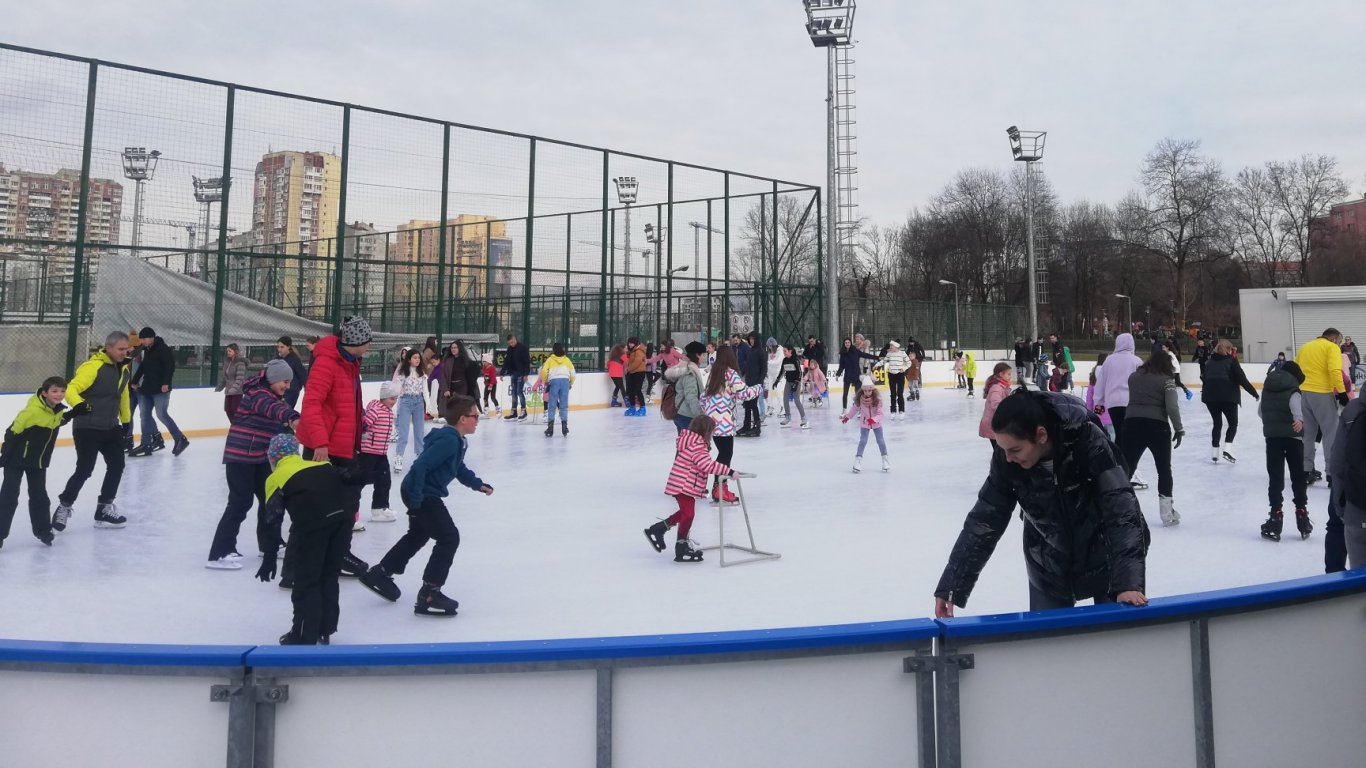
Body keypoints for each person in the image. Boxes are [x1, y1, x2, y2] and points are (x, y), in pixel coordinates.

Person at [933, 390, 1150, 615]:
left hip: (1106, 558)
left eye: (1015, 449)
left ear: (1041, 435)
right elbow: (985, 519)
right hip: (1048, 564)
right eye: (1003, 449)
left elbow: (1121, 510)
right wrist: (952, 586)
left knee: (1112, 640)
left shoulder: (1087, 440)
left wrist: (1127, 583)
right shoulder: (1006, 459)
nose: (1008, 458)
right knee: (1049, 643)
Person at [359, 395, 493, 616]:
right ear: (462, 419)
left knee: (418, 535)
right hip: (421, 493)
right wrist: (417, 499)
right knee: (449, 537)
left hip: (417, 491)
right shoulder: (449, 440)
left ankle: (380, 574)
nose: (478, 420)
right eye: (475, 416)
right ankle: (429, 594)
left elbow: (458, 468)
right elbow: (421, 465)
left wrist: (478, 485)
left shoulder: (456, 440)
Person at [294, 316, 374, 580]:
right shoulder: (328, 363)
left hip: (343, 443)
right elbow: (312, 403)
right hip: (326, 447)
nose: (370, 344)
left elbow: (344, 401)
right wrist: (320, 443)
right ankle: (303, 565)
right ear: (358, 342)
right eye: (368, 340)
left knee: (347, 503)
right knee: (319, 506)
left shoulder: (350, 362)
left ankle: (338, 553)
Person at [255, 433, 351, 645]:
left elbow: (272, 521)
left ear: (274, 457)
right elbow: (348, 478)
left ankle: (302, 635)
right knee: (328, 576)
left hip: (313, 528)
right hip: (341, 524)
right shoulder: (321, 466)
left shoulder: (277, 477)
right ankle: (325, 629)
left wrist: (269, 557)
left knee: (307, 581)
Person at [207, 359, 301, 569]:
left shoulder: (273, 395)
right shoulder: (258, 394)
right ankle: (220, 553)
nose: (286, 386)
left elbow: (279, 413)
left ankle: (271, 544)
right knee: (240, 502)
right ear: (272, 378)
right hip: (240, 456)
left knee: (270, 500)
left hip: (260, 457)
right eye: (283, 381)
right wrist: (293, 418)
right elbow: (274, 409)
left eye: (289, 382)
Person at [53, 331, 133, 531]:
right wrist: (79, 404)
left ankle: (104, 508)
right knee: (85, 469)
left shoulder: (123, 370)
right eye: (121, 349)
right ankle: (64, 506)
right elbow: (71, 389)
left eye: (127, 349)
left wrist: (126, 422)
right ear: (109, 348)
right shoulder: (93, 366)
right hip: (87, 426)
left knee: (117, 465)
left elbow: (123, 396)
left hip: (111, 426)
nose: (126, 352)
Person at [0, 377, 90, 548]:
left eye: (62, 391)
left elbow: (55, 421)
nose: (59, 395)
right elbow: (11, 433)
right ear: (44, 392)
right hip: (16, 460)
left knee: (40, 497)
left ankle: (43, 531)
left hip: (38, 461)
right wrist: (5, 456)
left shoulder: (54, 411)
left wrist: (73, 413)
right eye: (54, 391)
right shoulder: (32, 411)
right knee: (9, 497)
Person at [643, 414, 735, 563]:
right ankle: (678, 542)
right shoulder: (697, 445)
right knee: (689, 514)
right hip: (683, 484)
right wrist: (729, 472)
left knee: (686, 513)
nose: (712, 435)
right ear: (705, 431)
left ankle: (662, 530)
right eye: (711, 432)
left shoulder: (690, 441)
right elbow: (707, 465)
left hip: (683, 483)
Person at [1122, 351, 1186, 526]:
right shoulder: (1167, 380)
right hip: (1157, 426)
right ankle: (1167, 513)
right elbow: (1172, 407)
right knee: (1163, 469)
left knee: (1127, 467)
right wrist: (1179, 429)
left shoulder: (1133, 377)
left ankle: (1117, 507)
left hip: (1132, 423)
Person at [701, 346, 762, 504]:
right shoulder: (730, 373)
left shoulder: (713, 374)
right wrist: (759, 387)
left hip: (711, 422)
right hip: (724, 423)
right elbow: (745, 394)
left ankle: (718, 486)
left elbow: (703, 397)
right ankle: (719, 488)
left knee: (723, 454)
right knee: (725, 455)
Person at [1259, 361, 1310, 542]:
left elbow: (1261, 412)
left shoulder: (1267, 387)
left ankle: (1275, 517)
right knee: (1297, 476)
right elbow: (1297, 412)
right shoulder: (1294, 391)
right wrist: (1299, 421)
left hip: (1273, 438)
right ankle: (1302, 515)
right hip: (1293, 438)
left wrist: (1273, 423)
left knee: (1275, 477)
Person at [1093, 333, 1145, 486]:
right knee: (1128, 436)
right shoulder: (1136, 361)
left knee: (1120, 433)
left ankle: (1118, 465)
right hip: (1131, 403)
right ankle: (1124, 469)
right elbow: (1142, 383)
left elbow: (1101, 383)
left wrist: (1099, 403)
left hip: (1113, 403)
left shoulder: (1109, 360)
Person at [1296, 329, 1347, 485]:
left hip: (1303, 393)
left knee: (1308, 434)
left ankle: (1305, 470)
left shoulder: (1305, 347)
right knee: (1330, 433)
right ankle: (1332, 474)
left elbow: (1296, 369)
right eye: (1339, 341)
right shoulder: (1331, 347)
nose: (1339, 344)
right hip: (1322, 393)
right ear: (1333, 338)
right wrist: (1342, 392)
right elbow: (1334, 370)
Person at [129, 326, 189, 457]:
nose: (143, 341)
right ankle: (146, 444)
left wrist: (166, 383)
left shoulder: (162, 349)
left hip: (160, 389)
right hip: (147, 388)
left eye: (144, 339)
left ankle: (180, 439)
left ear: (151, 338)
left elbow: (170, 366)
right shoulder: (147, 349)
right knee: (144, 415)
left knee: (161, 414)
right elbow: (143, 367)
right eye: (142, 339)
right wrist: (134, 381)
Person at [1201, 339, 1258, 464]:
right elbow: (1242, 379)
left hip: (1211, 398)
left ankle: (1214, 452)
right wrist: (1254, 393)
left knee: (1217, 424)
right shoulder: (1232, 362)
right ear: (1228, 349)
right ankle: (1227, 448)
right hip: (1228, 398)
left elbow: (1204, 379)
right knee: (1233, 424)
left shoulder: (1209, 362)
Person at [1327, 391, 1366, 570]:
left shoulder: (1352, 410)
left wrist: (1340, 504)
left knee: (1359, 582)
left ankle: (1333, 581)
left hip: (1357, 509)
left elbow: (1337, 462)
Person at [355, 381, 400, 529]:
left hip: (381, 453)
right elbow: (364, 424)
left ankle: (379, 509)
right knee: (359, 482)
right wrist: (363, 436)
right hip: (368, 453)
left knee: (384, 480)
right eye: (392, 398)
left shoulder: (388, 411)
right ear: (384, 397)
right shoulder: (375, 409)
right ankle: (351, 511)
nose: (394, 402)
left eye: (396, 399)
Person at [842, 375, 888, 472]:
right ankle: (857, 461)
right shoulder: (860, 399)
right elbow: (854, 409)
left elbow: (881, 414)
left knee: (880, 441)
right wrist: (847, 417)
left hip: (876, 423)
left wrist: (874, 419)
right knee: (863, 441)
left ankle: (885, 461)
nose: (867, 392)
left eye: (869, 390)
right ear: (862, 390)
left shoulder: (878, 399)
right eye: (865, 390)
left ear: (873, 390)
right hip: (865, 422)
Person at [391, 349, 427, 473]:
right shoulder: (403, 372)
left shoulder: (421, 372)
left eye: (418, 358)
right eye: (415, 357)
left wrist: (429, 407)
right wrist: (394, 403)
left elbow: (425, 391)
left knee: (419, 432)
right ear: (409, 359)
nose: (417, 360)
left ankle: (420, 457)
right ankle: (399, 457)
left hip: (419, 402)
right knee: (403, 433)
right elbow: (397, 389)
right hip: (405, 401)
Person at [663, 341, 708, 433]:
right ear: (697, 355)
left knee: (684, 445)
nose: (704, 357)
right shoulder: (689, 373)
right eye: (703, 355)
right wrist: (700, 415)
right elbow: (691, 397)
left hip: (681, 414)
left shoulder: (685, 369)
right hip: (687, 416)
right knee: (691, 445)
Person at [539, 342, 576, 437]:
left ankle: (550, 428)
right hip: (565, 382)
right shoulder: (567, 360)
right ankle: (564, 427)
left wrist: (545, 381)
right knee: (563, 405)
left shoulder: (550, 360)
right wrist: (570, 383)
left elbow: (543, 371)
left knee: (552, 405)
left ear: (553, 350)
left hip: (554, 382)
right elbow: (573, 373)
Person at [772, 345, 809, 429]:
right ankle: (788, 417)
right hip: (788, 382)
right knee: (785, 399)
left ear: (790, 351)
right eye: (783, 351)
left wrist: (796, 382)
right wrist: (777, 381)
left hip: (796, 382)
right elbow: (782, 371)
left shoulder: (795, 360)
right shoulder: (785, 360)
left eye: (785, 351)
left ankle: (804, 418)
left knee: (796, 400)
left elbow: (800, 373)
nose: (784, 353)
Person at [737, 332, 767, 437]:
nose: (751, 341)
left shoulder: (761, 351)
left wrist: (760, 382)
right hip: (749, 382)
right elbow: (747, 365)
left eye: (753, 339)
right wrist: (741, 374)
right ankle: (746, 426)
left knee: (753, 404)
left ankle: (757, 427)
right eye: (750, 339)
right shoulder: (750, 351)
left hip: (756, 383)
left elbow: (764, 368)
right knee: (747, 404)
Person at [437, 340, 475, 422]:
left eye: (455, 348)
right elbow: (443, 376)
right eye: (452, 348)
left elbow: (473, 372)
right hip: (451, 388)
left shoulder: (466, 360)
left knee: (461, 408)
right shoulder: (448, 361)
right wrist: (446, 389)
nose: (453, 349)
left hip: (462, 387)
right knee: (452, 408)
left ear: (459, 348)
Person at [836, 338, 878, 409]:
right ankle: (844, 410)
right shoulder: (843, 354)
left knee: (858, 394)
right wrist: (838, 374)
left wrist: (877, 358)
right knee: (845, 394)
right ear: (844, 344)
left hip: (856, 375)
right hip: (848, 376)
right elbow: (841, 366)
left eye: (848, 342)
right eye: (846, 343)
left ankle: (859, 408)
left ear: (850, 343)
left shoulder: (855, 351)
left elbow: (866, 355)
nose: (847, 344)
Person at [979, 363, 1013, 449]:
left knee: (1001, 450)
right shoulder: (997, 387)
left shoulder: (1002, 386)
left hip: (995, 423)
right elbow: (996, 405)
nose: (1010, 376)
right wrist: (1010, 408)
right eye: (1008, 374)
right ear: (1001, 374)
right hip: (993, 424)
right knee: (1000, 451)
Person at [498, 334, 531, 421]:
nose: (511, 344)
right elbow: (506, 362)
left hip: (521, 373)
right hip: (513, 373)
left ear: (515, 339)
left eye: (512, 342)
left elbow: (527, 361)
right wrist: (502, 373)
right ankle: (514, 412)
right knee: (513, 393)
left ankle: (524, 411)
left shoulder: (523, 348)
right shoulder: (509, 349)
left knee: (519, 392)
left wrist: (526, 374)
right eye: (509, 343)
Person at [215, 344, 248, 422]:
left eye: (230, 351)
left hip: (237, 391)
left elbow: (240, 379)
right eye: (227, 351)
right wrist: (219, 387)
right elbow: (225, 377)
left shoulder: (240, 363)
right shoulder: (227, 362)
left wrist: (233, 389)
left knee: (235, 410)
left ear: (235, 352)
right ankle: (234, 425)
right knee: (227, 409)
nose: (228, 352)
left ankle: (238, 426)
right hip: (229, 391)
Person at [1085, 353, 1114, 440]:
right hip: (1110, 407)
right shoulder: (1111, 374)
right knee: (1111, 432)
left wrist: (1089, 410)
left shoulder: (1094, 376)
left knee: (1099, 431)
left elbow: (1089, 396)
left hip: (1099, 407)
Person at [881, 340, 913, 420]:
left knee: (900, 393)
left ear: (896, 347)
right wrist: (877, 364)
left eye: (892, 346)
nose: (890, 347)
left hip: (900, 375)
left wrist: (904, 368)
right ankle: (893, 411)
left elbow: (909, 363)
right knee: (893, 394)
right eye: (890, 346)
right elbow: (884, 361)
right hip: (891, 375)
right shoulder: (889, 354)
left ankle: (901, 411)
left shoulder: (902, 353)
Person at [276, 336, 308, 408]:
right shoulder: (277, 359)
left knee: (285, 410)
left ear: (288, 347)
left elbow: (302, 374)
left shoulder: (294, 359)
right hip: (280, 390)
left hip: (292, 390)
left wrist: (307, 387)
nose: (279, 349)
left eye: (282, 347)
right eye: (278, 347)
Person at [624, 337, 648, 416]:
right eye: (629, 343)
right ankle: (632, 407)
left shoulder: (639, 351)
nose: (630, 344)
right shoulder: (632, 351)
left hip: (639, 372)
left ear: (635, 343)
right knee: (631, 390)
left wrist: (628, 369)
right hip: (633, 372)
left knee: (637, 390)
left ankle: (642, 407)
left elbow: (637, 362)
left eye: (631, 343)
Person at [607, 343, 627, 407]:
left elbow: (608, 364)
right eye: (625, 348)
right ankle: (627, 401)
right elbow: (628, 361)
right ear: (622, 349)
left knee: (618, 386)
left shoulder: (613, 356)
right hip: (617, 373)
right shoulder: (622, 354)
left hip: (612, 374)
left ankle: (614, 401)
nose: (626, 349)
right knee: (621, 387)